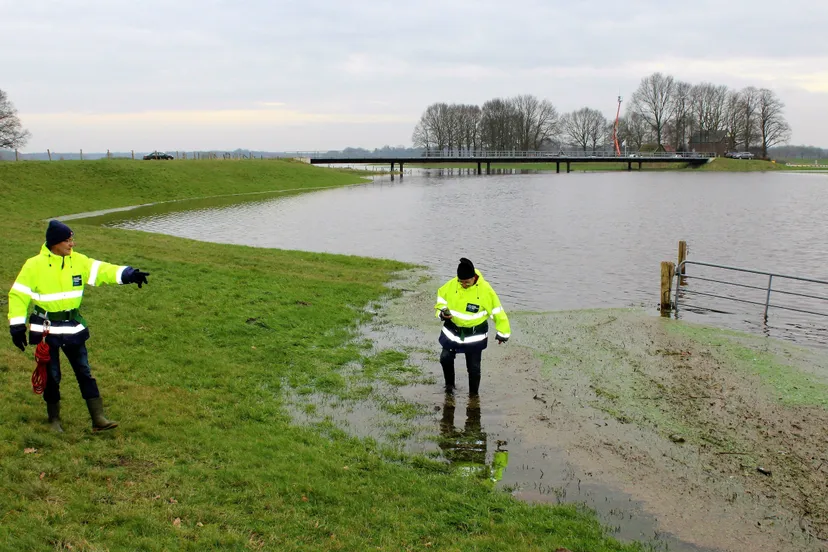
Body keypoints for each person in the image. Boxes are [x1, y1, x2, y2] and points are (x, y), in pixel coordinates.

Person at [8, 220, 150, 432]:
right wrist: (17, 326)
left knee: (84, 372)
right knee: (52, 376)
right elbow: (18, 295)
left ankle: (98, 419)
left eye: (72, 239)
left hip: (73, 328)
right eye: (67, 240)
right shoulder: (33, 265)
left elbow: (103, 270)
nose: (72, 244)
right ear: (55, 243)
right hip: (47, 331)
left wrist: (129, 274)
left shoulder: (79, 261)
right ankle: (54, 419)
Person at [434, 257, 510, 396]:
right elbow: (441, 299)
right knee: (445, 358)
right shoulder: (452, 284)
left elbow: (497, 311)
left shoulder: (485, 290)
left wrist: (503, 333)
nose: (463, 284)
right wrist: (442, 313)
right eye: (461, 281)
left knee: (474, 367)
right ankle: (449, 387)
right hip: (452, 330)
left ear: (474, 277)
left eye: (466, 282)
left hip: (475, 335)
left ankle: (473, 395)